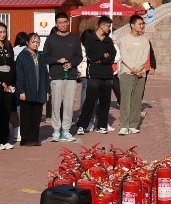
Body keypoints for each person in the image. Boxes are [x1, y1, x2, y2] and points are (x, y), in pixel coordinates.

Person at [42, 11, 82, 142]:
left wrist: (72, 64)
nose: (63, 25)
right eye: (60, 23)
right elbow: (45, 57)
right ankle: (56, 130)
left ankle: (66, 130)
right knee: (56, 104)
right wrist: (57, 61)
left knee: (69, 104)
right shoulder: (51, 39)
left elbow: (79, 56)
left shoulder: (75, 38)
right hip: (56, 76)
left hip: (71, 76)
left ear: (68, 22)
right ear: (56, 24)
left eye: (65, 22)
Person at [75, 16, 116, 135]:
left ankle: (102, 125)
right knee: (90, 101)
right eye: (108, 26)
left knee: (105, 101)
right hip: (94, 74)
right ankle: (82, 125)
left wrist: (101, 60)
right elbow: (91, 57)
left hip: (107, 74)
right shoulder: (90, 38)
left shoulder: (108, 40)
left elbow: (112, 55)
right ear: (101, 26)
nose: (109, 28)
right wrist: (103, 56)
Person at [116, 14, 150, 135]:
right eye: (139, 24)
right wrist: (133, 68)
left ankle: (133, 124)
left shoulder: (145, 40)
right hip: (127, 72)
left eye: (142, 24)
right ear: (132, 25)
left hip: (141, 74)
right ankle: (124, 125)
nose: (142, 26)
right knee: (126, 100)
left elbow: (145, 56)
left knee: (137, 100)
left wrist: (139, 69)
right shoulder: (124, 39)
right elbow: (124, 56)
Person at [15, 33, 49, 146]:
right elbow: (19, 75)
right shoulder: (22, 56)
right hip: (27, 90)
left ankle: (34, 138)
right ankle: (25, 139)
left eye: (38, 42)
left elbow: (45, 74)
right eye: (33, 42)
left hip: (40, 90)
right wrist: (21, 91)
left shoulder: (40, 56)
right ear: (27, 42)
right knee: (26, 116)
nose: (36, 44)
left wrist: (47, 90)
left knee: (36, 116)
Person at [0, 23, 16, 151]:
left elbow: (12, 65)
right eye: (0, 32)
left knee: (7, 113)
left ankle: (5, 140)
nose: (2, 34)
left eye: (4, 32)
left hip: (9, 84)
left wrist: (11, 83)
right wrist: (1, 83)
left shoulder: (8, 46)